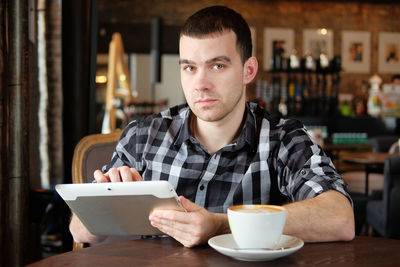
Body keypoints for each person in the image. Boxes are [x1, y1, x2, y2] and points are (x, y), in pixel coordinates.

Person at [70, 5, 354, 248]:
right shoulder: (145, 135)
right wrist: (111, 199)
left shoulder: (283, 138)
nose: (200, 83)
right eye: (189, 67)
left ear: (248, 70)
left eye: (217, 66)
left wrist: (220, 225)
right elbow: (79, 231)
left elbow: (340, 218)